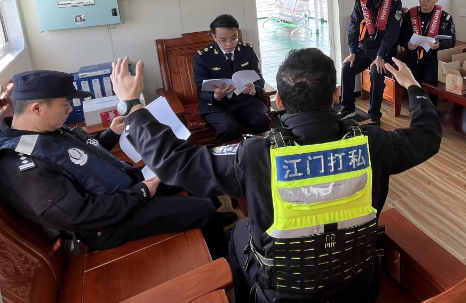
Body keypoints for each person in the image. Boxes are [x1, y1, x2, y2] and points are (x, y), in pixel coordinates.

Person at [113, 48, 442, 302]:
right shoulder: (374, 143)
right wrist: (412, 86)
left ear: (280, 101)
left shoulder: (257, 154)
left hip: (285, 295)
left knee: (239, 230)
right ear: (334, 94)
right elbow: (428, 135)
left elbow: (175, 161)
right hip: (358, 284)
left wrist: (133, 107)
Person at [0, 70, 228, 257]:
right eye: (65, 104)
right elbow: (79, 214)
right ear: (37, 108)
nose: (70, 109)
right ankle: (220, 254)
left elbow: (78, 160)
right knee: (202, 209)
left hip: (123, 189)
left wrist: (111, 134)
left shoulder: (43, 129)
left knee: (184, 169)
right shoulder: (23, 168)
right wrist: (141, 193)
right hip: (108, 223)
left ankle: (214, 222)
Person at [338, 0, 402, 126]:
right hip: (364, 48)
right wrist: (353, 52)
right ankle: (348, 108)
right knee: (347, 68)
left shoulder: (394, 2)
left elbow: (392, 33)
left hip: (384, 50)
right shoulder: (360, 1)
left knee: (376, 72)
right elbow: (353, 27)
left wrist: (380, 56)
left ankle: (374, 115)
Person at [194, 14, 270, 143]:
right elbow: (201, 90)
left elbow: (258, 78)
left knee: (261, 119)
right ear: (214, 37)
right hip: (217, 105)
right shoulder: (203, 56)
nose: (229, 44)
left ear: (238, 34)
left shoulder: (246, 51)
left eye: (234, 38)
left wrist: (254, 88)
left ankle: (257, 149)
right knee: (228, 127)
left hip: (245, 100)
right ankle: (230, 155)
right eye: (223, 40)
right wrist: (216, 96)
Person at [399, 0, 455, 104]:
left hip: (433, 59)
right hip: (413, 58)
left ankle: (431, 108)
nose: (425, 0)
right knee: (412, 81)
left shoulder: (445, 17)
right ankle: (415, 108)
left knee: (430, 79)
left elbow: (451, 41)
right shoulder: (411, 14)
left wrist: (439, 45)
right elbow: (402, 36)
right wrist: (407, 43)